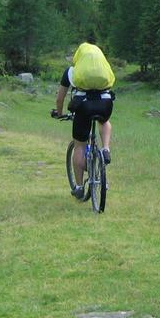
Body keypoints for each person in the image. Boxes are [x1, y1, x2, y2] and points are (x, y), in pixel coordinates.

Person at [52, 39, 116, 199]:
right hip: (105, 103)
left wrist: (59, 113)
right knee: (105, 122)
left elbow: (60, 98)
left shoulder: (71, 71)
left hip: (83, 107)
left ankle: (79, 187)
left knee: (80, 146)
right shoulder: (102, 69)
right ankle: (106, 149)